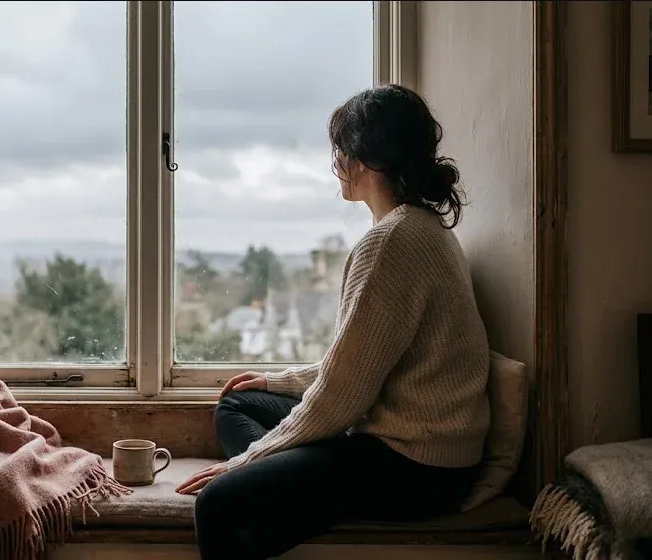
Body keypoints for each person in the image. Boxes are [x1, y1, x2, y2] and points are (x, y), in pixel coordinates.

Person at [175, 84, 491, 560]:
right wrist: (277, 383)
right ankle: (302, 495)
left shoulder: (391, 242)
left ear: (362, 159)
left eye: (339, 150)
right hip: (421, 451)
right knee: (238, 404)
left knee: (217, 504)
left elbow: (343, 396)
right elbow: (361, 361)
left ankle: (293, 492)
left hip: (417, 466)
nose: (336, 162)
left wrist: (248, 461)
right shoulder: (421, 228)